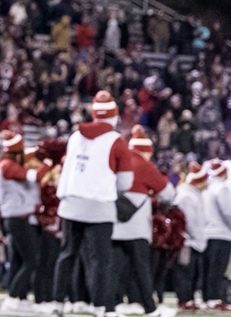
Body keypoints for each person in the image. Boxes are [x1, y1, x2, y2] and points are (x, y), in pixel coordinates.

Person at [52, 91, 137, 317]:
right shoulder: (117, 142)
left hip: (71, 203)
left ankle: (57, 304)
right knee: (101, 260)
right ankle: (103, 307)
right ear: (114, 116)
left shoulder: (75, 137)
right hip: (100, 206)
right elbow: (125, 183)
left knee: (67, 254)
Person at [111, 127, 174, 317]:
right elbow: (169, 194)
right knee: (141, 269)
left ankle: (110, 305)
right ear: (147, 151)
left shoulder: (116, 161)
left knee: (114, 269)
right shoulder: (145, 165)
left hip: (114, 225)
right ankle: (149, 307)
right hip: (136, 228)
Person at [0, 131, 44, 315]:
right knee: (33, 259)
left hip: (16, 218)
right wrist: (48, 163)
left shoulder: (6, 164)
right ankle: (13, 298)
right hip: (17, 219)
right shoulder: (7, 166)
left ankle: (20, 298)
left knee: (19, 259)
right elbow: (36, 176)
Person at [201, 159, 231, 310]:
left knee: (208, 269)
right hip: (222, 234)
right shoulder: (222, 188)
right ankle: (214, 298)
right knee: (218, 269)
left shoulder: (206, 188)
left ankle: (207, 297)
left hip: (208, 233)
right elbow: (228, 212)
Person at [175, 162, 209, 311]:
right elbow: (189, 221)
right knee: (186, 272)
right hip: (187, 241)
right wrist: (199, 238)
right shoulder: (187, 196)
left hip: (193, 240)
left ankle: (188, 299)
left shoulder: (193, 194)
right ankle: (184, 299)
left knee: (192, 272)